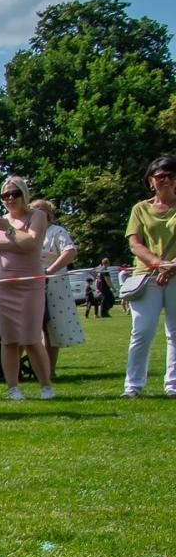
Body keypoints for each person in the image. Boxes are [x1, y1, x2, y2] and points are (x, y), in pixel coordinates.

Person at [0, 176, 55, 400]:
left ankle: (45, 385)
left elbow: (32, 244)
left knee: (31, 338)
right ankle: (13, 388)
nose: (9, 198)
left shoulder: (36, 216)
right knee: (9, 340)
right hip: (2, 286)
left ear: (24, 195)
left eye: (14, 194)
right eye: (5, 195)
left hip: (29, 285)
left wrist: (9, 229)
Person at [121, 154, 176, 398]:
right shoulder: (140, 209)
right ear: (150, 180)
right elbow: (135, 244)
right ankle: (133, 387)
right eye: (160, 176)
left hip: (175, 274)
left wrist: (171, 266)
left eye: (171, 176)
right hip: (147, 276)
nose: (165, 180)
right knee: (141, 331)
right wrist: (159, 264)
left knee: (175, 332)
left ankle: (173, 385)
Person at [32, 199, 86, 378]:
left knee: (50, 328)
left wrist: (49, 271)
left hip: (53, 284)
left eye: (39, 210)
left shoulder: (56, 232)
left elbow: (70, 251)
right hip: (31, 284)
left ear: (48, 214)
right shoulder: (31, 233)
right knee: (33, 327)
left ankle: (49, 370)